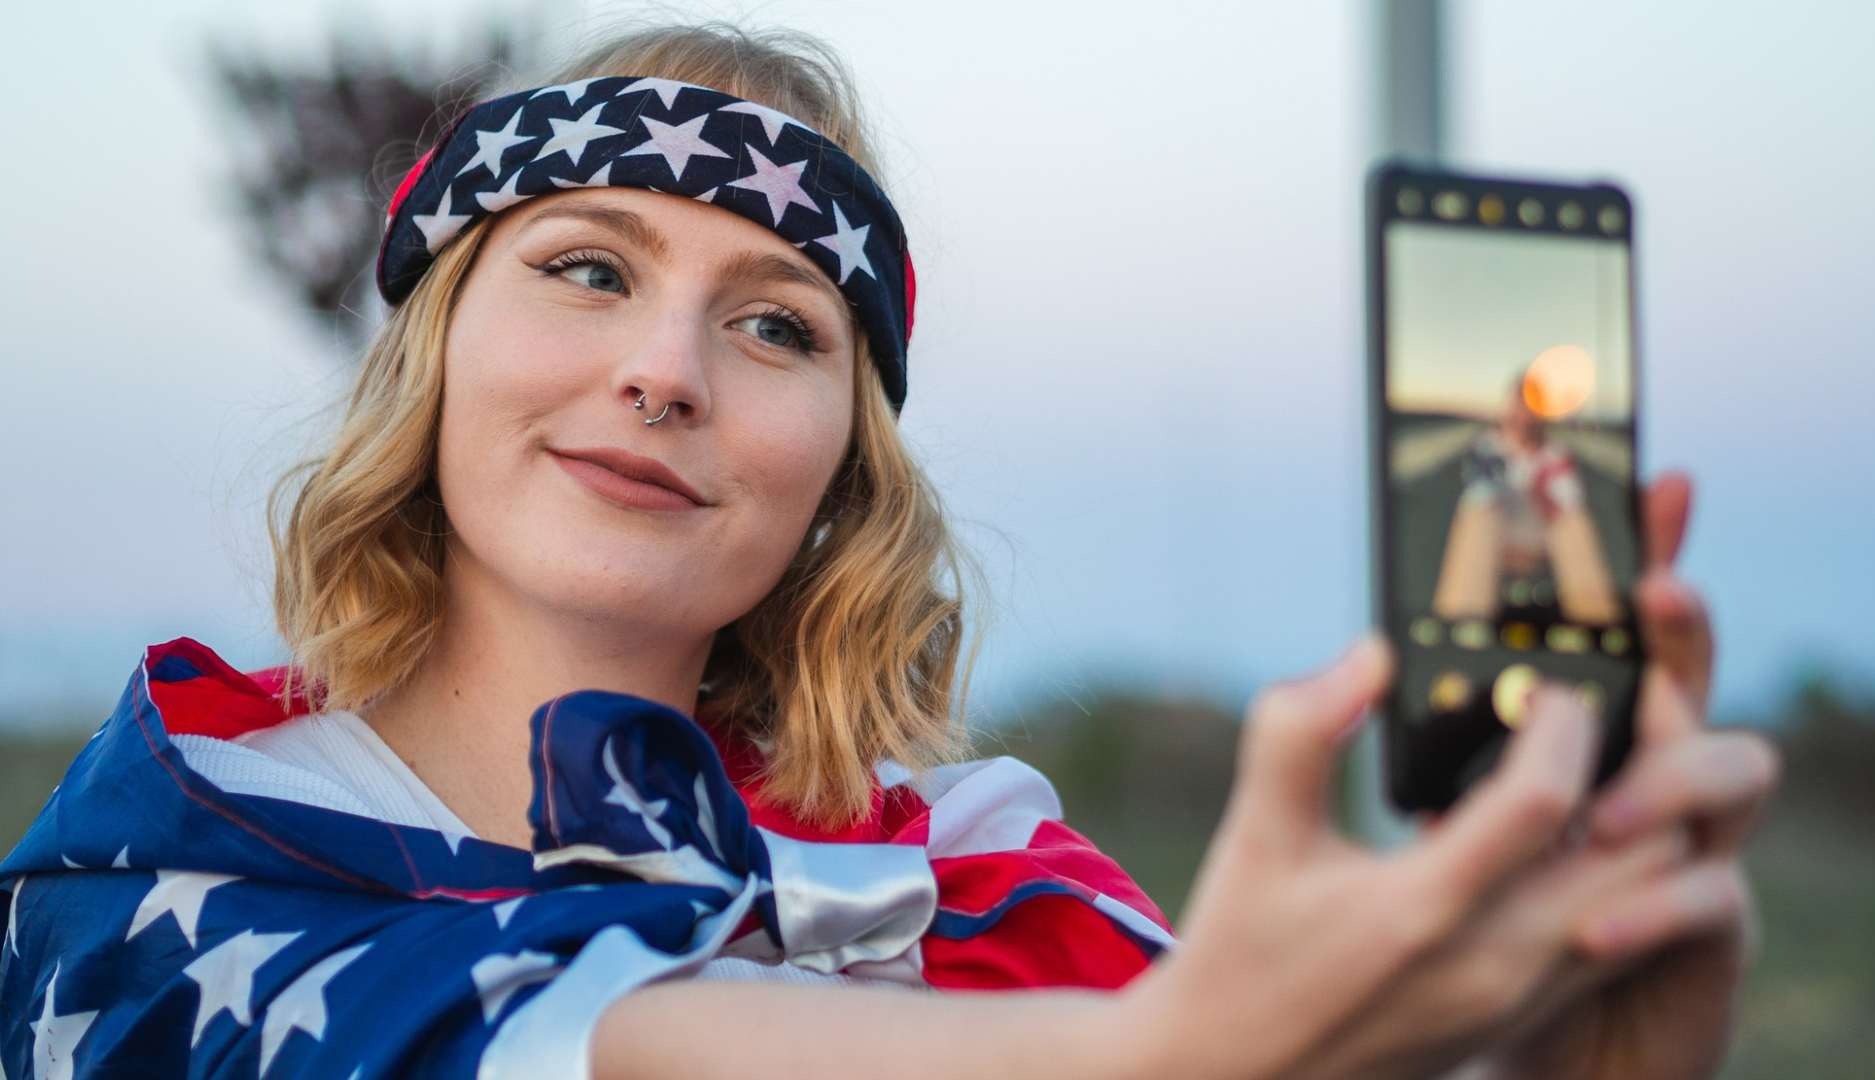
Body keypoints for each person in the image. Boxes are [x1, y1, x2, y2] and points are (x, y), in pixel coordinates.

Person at [0, 19, 1777, 1080]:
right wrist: (1159, 1051)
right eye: (590, 269)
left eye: (778, 327)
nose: (663, 373)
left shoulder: (981, 868)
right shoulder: (174, 844)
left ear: (848, 465)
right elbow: (577, 1034)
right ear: (432, 353)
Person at [1432, 374, 1624, 626]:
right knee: (1478, 516)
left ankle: (1598, 627)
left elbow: (1566, 502)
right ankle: (1459, 628)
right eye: (1520, 403)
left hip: (1544, 544)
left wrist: (1541, 488)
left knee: (1573, 522)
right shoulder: (1487, 448)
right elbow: (1482, 493)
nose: (1525, 414)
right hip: (1499, 542)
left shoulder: (1556, 455)